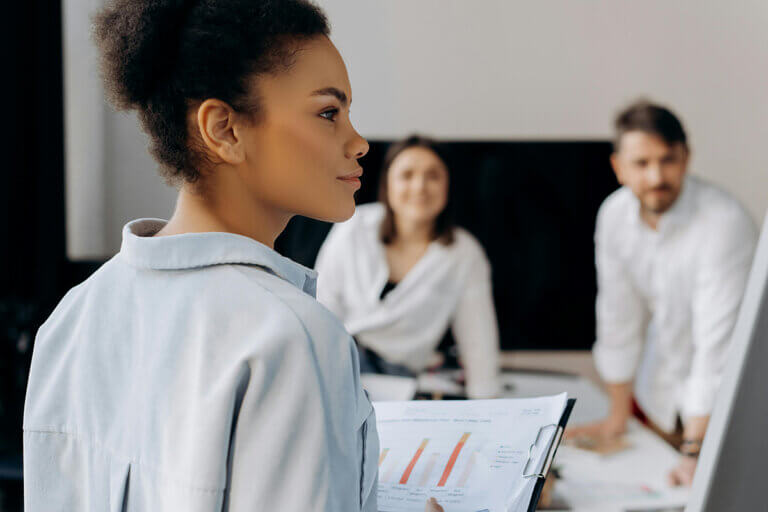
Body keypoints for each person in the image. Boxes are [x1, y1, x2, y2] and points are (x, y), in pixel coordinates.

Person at [22, 1, 444, 510]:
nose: (358, 142)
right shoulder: (292, 338)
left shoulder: (71, 318)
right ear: (224, 129)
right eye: (328, 113)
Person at [567, 101, 757, 486]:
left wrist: (694, 453)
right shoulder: (613, 216)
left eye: (667, 160)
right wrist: (618, 416)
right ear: (618, 167)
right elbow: (617, 318)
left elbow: (717, 348)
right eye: (641, 163)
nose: (656, 176)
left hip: (727, 407)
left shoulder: (724, 222)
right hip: (659, 395)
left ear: (685, 158)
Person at [315, 135, 500, 399]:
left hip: (404, 386)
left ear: (448, 185)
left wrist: (489, 413)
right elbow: (320, 314)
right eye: (407, 175)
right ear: (387, 183)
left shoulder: (464, 253)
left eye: (433, 176)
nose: (419, 186)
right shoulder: (352, 227)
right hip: (341, 371)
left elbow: (479, 344)